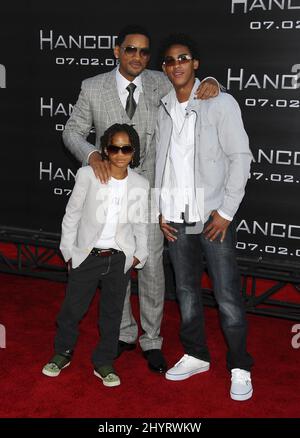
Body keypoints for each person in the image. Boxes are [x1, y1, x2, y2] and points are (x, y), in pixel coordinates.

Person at [62, 24, 220, 373]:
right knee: (116, 261)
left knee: (148, 266)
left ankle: (151, 339)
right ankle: (123, 333)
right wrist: (92, 157)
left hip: (149, 190)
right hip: (108, 191)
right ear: (117, 51)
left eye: (145, 52)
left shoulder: (161, 81)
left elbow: (191, 84)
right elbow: (72, 131)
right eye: (130, 50)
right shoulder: (93, 87)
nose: (138, 57)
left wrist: (212, 83)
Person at [155, 34, 254, 401]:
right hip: (176, 218)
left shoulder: (220, 102)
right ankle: (196, 354)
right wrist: (159, 210)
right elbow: (159, 163)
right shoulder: (162, 105)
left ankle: (240, 364)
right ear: (164, 68)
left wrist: (226, 212)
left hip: (213, 217)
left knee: (227, 295)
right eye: (169, 60)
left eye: (184, 58)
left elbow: (240, 157)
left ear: (196, 64)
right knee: (185, 293)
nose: (176, 64)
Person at [42, 123, 149, 387]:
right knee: (72, 309)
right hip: (86, 255)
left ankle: (104, 361)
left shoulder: (140, 183)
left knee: (112, 313)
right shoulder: (87, 175)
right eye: (115, 147)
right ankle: (63, 352)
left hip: (120, 257)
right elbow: (72, 215)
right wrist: (69, 252)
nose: (120, 153)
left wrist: (138, 255)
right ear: (105, 149)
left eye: (126, 148)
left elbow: (140, 224)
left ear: (133, 152)